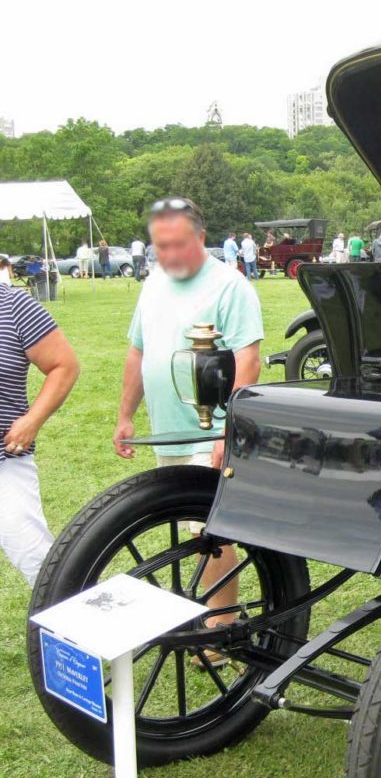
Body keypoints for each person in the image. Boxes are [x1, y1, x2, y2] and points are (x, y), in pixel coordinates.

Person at [113, 197, 263, 656]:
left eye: (177, 244)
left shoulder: (230, 285)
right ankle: (206, 609)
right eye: (161, 246)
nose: (169, 255)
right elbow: (139, 351)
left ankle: (220, 627)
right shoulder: (153, 283)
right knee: (184, 521)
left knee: (208, 529)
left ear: (200, 238)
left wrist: (227, 429)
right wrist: (125, 414)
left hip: (209, 430)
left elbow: (248, 358)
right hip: (167, 430)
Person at [1, 279, 79, 585]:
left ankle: (76, 629)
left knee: (33, 556)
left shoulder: (14, 306)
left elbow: (64, 365)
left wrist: (32, 420)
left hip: (4, 459)